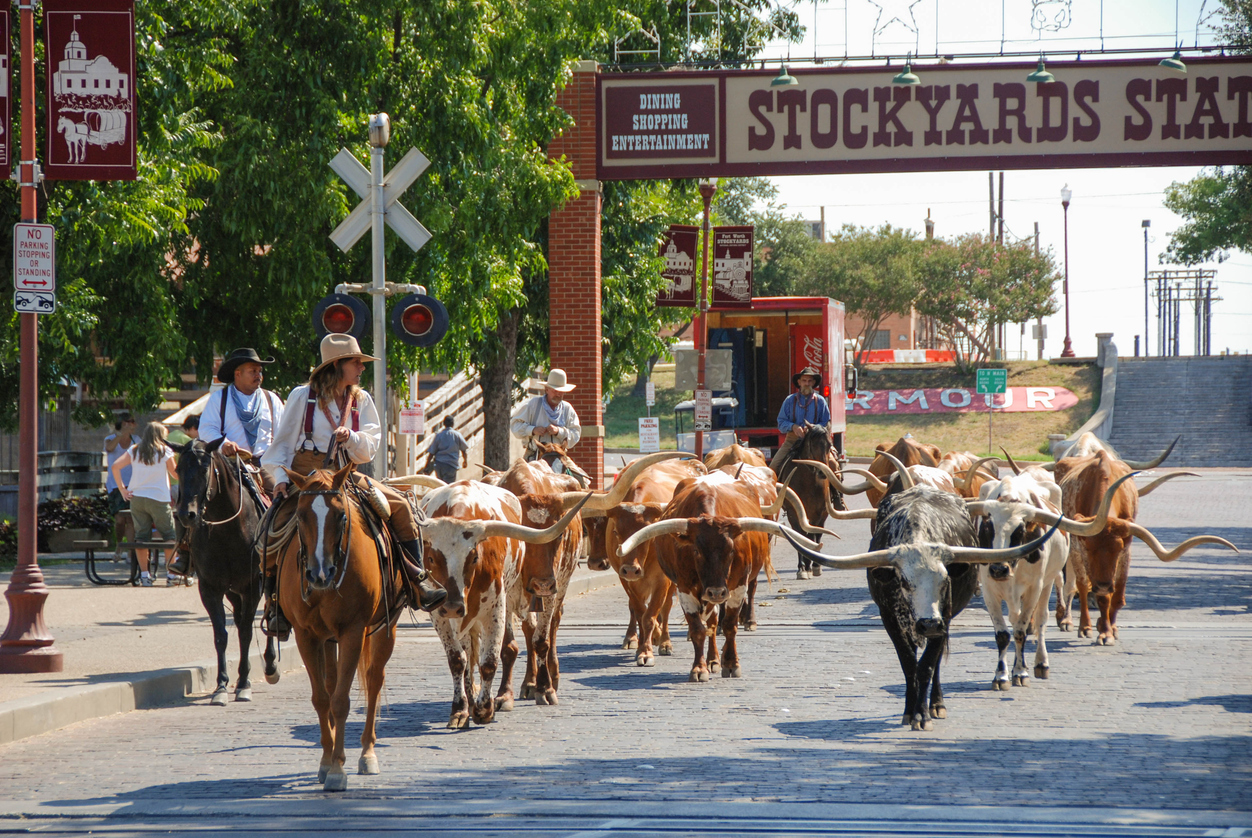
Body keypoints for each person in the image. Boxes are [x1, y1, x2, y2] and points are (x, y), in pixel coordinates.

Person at [260, 333, 447, 636]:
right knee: (270, 528)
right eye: (356, 362)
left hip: (346, 474)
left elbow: (370, 446)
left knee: (399, 507)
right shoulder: (301, 396)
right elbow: (280, 448)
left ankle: (417, 580)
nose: (361, 367)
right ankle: (275, 603)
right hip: (307, 478)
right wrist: (281, 480)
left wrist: (354, 437)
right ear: (337, 366)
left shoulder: (361, 400)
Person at [197, 348, 284, 494]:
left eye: (260, 371)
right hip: (229, 464)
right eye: (253, 371)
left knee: (284, 499)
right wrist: (224, 444)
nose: (259, 376)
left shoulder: (272, 400)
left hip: (265, 465)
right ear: (238, 374)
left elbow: (284, 434)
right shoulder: (219, 399)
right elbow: (206, 429)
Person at [110, 422, 181, 587]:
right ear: (160, 436)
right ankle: (171, 574)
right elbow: (175, 474)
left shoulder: (135, 450)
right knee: (169, 536)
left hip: (137, 497)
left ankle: (144, 575)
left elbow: (115, 466)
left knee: (141, 537)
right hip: (159, 498)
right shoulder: (165, 451)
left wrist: (122, 489)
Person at [510, 369, 581, 472]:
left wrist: (559, 431)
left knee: (582, 481)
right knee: (517, 481)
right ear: (547, 389)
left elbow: (576, 434)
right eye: (555, 390)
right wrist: (533, 430)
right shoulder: (533, 405)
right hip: (534, 455)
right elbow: (515, 425)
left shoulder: (567, 409)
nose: (558, 394)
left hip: (559, 457)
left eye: (561, 391)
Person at [770, 367, 832, 474]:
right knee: (773, 468)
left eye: (809, 381)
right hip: (792, 441)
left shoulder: (821, 401)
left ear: (813, 383)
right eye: (804, 380)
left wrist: (814, 429)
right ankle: (776, 490)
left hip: (816, 443)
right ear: (799, 382)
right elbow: (781, 422)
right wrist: (793, 427)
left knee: (834, 467)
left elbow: (826, 423)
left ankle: (836, 490)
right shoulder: (789, 400)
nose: (806, 383)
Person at [104, 412, 140, 549]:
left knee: (131, 519)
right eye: (131, 421)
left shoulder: (137, 440)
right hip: (115, 485)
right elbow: (109, 448)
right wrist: (121, 434)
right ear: (124, 423)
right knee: (119, 520)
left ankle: (130, 553)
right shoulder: (110, 439)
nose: (134, 424)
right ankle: (119, 546)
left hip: (133, 486)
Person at [427, 415, 468, 484]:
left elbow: (432, 452)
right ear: (453, 424)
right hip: (451, 465)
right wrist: (465, 461)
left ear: (444, 424)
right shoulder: (457, 435)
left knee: (440, 485)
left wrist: (427, 465)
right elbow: (464, 450)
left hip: (439, 465)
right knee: (448, 486)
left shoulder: (439, 435)